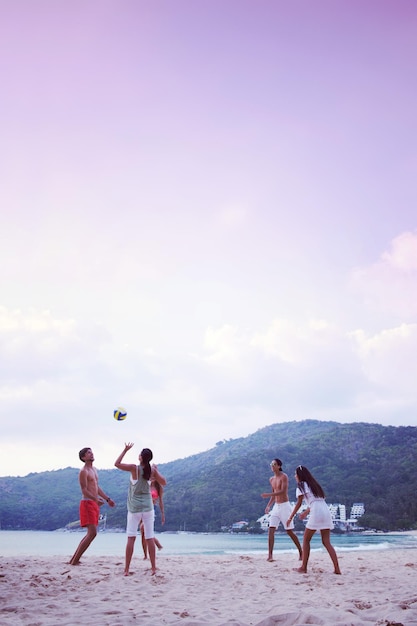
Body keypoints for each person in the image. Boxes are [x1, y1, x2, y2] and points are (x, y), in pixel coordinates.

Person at [114, 442, 167, 576]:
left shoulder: (134, 469)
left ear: (141, 458)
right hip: (148, 508)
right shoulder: (152, 471)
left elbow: (117, 463)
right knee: (150, 537)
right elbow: (164, 482)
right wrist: (156, 469)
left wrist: (125, 450)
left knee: (131, 537)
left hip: (134, 508)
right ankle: (153, 568)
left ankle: (126, 570)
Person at [287, 465, 341, 575]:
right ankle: (337, 569)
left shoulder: (301, 485)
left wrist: (290, 517)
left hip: (316, 511)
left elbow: (299, 503)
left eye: (295, 474)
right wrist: (306, 512)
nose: (294, 476)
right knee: (326, 542)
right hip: (325, 510)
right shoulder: (314, 485)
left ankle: (303, 567)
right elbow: (315, 501)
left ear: (299, 475)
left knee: (306, 540)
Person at [69, 447, 115, 565]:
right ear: (83, 457)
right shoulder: (83, 471)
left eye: (91, 452)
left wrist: (107, 499)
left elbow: (96, 487)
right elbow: (84, 490)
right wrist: (95, 499)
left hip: (94, 503)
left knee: (91, 533)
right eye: (88, 453)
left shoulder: (94, 470)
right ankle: (75, 560)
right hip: (87, 503)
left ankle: (74, 560)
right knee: (92, 533)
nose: (91, 454)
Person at [261, 458, 303, 562]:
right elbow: (274, 495)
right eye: (271, 464)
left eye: (274, 464)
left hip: (285, 506)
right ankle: (270, 555)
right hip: (276, 506)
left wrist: (268, 494)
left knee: (289, 531)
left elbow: (283, 492)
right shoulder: (271, 479)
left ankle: (301, 552)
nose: (272, 466)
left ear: (279, 466)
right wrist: (268, 506)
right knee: (271, 530)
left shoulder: (284, 476)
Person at [141, 478, 165, 559]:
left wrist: (162, 514)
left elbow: (161, 501)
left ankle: (157, 543)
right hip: (141, 508)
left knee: (143, 528)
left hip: (151, 509)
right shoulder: (146, 485)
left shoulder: (159, 487)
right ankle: (145, 555)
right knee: (143, 533)